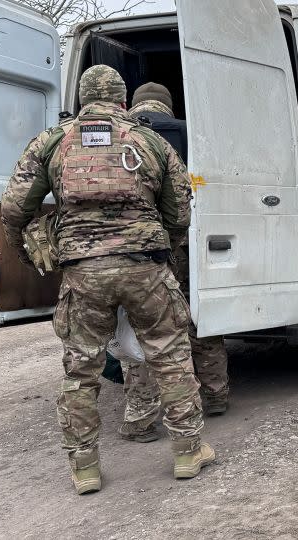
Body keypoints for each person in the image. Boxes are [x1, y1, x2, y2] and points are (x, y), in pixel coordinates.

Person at [1, 65, 215, 494]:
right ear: (122, 101)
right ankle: (189, 452)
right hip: (145, 266)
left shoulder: (53, 141)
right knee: (170, 357)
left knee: (81, 369)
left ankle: (84, 469)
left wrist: (28, 251)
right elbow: (181, 211)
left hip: (83, 271)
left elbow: (14, 206)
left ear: (81, 100)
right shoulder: (150, 140)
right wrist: (162, 251)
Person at [114, 83, 230, 444]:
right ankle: (214, 395)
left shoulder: (112, 136)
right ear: (168, 105)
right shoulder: (186, 132)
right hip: (176, 246)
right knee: (194, 318)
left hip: (126, 251)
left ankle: (142, 418)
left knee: (138, 331)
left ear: (132, 104)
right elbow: (188, 197)